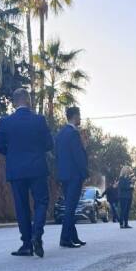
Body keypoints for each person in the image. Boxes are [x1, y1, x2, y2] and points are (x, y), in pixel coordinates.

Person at [0, 88, 53, 257]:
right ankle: (37, 234)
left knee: (22, 207)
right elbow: (49, 144)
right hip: (37, 167)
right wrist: (36, 150)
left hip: (16, 169)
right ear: (28, 100)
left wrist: (12, 154)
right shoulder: (39, 120)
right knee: (41, 202)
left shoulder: (6, 122)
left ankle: (27, 244)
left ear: (14, 102)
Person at [54, 106, 88, 248]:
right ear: (74, 116)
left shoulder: (60, 134)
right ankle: (65, 239)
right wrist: (85, 173)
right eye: (79, 116)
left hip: (64, 175)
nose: (80, 119)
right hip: (74, 175)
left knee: (70, 206)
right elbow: (78, 156)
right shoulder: (73, 134)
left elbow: (57, 154)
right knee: (71, 207)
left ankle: (73, 237)